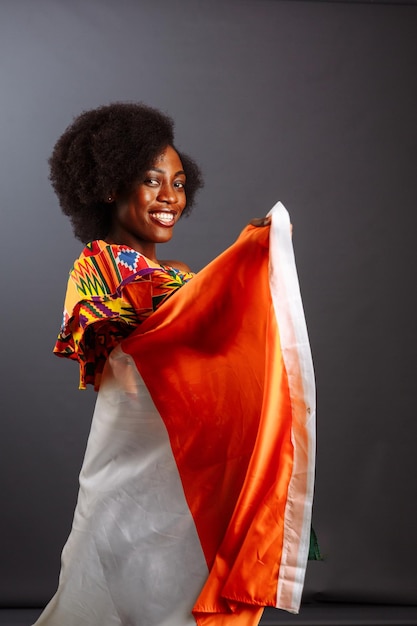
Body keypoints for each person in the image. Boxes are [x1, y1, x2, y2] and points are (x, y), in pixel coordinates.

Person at [34, 102, 317, 626]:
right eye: (151, 180)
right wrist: (223, 271)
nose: (170, 198)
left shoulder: (182, 278)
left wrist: (252, 261)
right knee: (100, 569)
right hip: (125, 456)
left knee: (172, 578)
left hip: (183, 458)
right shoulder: (95, 265)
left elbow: (216, 345)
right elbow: (111, 322)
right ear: (109, 187)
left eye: (180, 183)